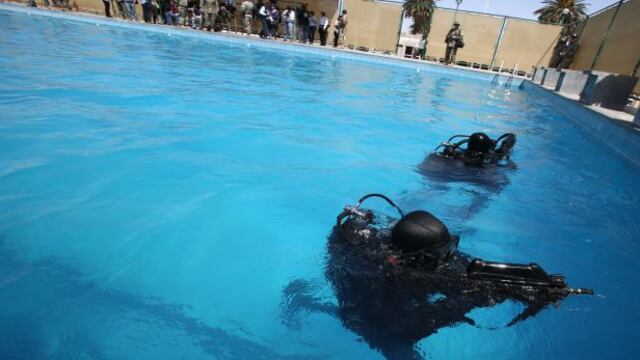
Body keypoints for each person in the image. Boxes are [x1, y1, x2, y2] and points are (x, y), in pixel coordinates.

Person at [435, 132, 516, 167]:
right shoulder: (491, 157)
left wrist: (447, 153)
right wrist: (505, 145)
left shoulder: (456, 154)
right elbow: (508, 144)